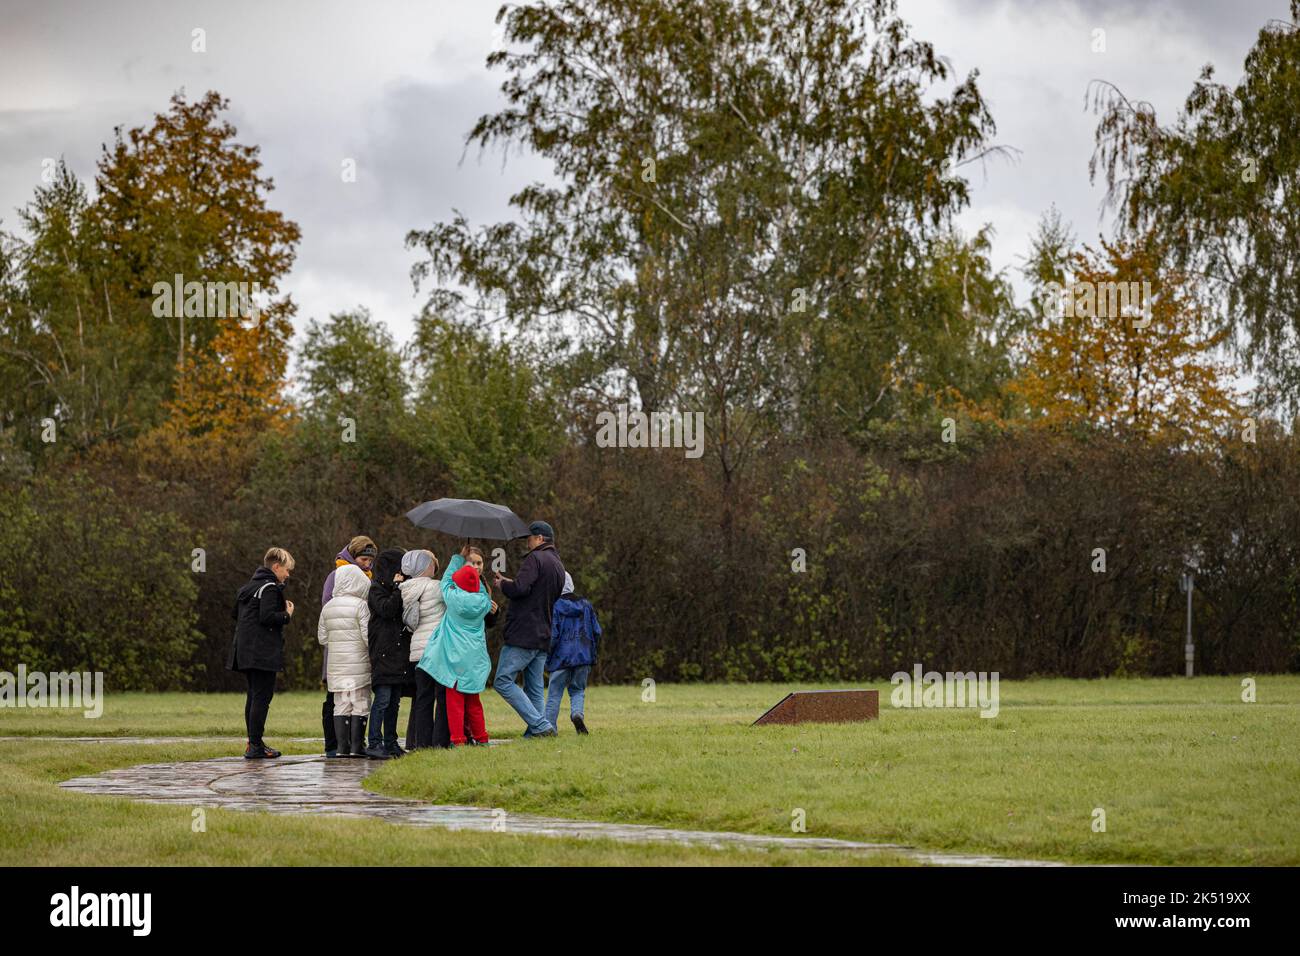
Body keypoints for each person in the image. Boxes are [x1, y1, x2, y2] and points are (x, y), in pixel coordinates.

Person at [492, 520, 566, 738]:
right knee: (534, 689)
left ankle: (541, 726)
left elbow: (521, 589)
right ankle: (535, 735)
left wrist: (503, 584)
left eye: (529, 539)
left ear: (540, 539)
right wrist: (512, 582)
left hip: (523, 633)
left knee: (503, 681)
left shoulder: (535, 558)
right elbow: (534, 591)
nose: (527, 543)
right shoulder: (558, 564)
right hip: (544, 633)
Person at [418, 547, 492, 746]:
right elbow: (482, 591)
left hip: (454, 660)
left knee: (455, 704)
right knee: (474, 703)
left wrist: (458, 557)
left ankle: (457, 739)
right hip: (474, 661)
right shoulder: (484, 602)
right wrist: (476, 580)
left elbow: (446, 581)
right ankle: (482, 738)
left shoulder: (452, 597)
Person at [228, 547, 296, 759]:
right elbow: (267, 617)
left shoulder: (248, 588)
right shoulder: (270, 588)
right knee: (262, 698)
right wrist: (287, 615)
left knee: (253, 696)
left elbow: (234, 614)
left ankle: (253, 742)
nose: (287, 574)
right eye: (286, 569)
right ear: (276, 567)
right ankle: (256, 745)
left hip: (244, 650)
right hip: (262, 652)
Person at [320, 536, 376, 756]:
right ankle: (354, 747)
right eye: (363, 559)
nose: (368, 565)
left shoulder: (330, 607)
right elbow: (366, 635)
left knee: (341, 703)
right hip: (358, 658)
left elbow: (322, 636)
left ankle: (342, 748)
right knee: (360, 702)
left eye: (370, 561)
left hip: (337, 659)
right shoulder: (358, 602)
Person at [365, 548, 411, 759]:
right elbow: (386, 609)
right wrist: (398, 589)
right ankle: (374, 742)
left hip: (398, 652)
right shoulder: (376, 590)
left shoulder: (397, 589)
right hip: (383, 652)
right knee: (382, 699)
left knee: (394, 701)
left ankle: (391, 742)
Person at [544, 572, 601, 735]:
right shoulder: (586, 605)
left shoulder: (554, 606)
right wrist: (592, 652)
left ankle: (550, 728)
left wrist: (547, 656)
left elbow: (553, 636)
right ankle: (577, 713)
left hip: (560, 659)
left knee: (554, 693)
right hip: (583, 658)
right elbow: (597, 631)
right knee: (577, 690)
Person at [399, 549, 443, 750]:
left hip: (417, 651)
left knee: (423, 698)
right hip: (436, 649)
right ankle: (440, 741)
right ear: (426, 567)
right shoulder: (436, 587)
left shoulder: (404, 589)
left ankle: (422, 742)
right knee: (441, 697)